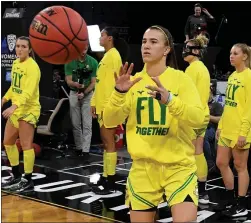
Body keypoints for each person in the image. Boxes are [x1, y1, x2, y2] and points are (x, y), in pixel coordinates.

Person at [103, 25, 205, 223]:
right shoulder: (132, 82)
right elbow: (109, 120)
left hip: (178, 167)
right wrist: (119, 93)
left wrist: (170, 101)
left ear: (166, 49)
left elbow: (198, 118)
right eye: (143, 42)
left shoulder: (180, 79)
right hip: (143, 168)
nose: (146, 46)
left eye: (153, 42)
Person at [90, 27, 129, 194]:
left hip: (109, 107)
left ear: (110, 38)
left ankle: (110, 181)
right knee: (106, 144)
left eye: (102, 35)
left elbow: (116, 84)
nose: (99, 38)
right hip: (102, 106)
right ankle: (106, 175)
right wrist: (93, 102)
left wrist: (108, 106)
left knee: (109, 143)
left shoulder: (114, 56)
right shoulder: (106, 56)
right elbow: (100, 83)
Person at [215, 43, 251, 217]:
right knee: (221, 162)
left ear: (244, 56)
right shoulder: (232, 76)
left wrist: (244, 132)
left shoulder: (249, 76)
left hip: (240, 130)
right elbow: (228, 106)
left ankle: (242, 203)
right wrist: (221, 125)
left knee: (240, 166)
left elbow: (249, 108)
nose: (231, 56)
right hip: (227, 128)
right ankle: (230, 198)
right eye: (230, 53)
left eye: (235, 53)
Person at [1, 36, 41, 192]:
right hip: (16, 109)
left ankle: (27, 180)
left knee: (26, 145)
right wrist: (4, 99)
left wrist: (14, 107)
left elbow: (28, 92)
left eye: (23, 46)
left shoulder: (33, 67)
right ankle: (16, 175)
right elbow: (14, 87)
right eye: (17, 46)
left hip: (29, 109)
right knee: (8, 143)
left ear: (30, 49)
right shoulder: (16, 63)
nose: (19, 49)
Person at [183, 34, 211, 204]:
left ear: (195, 51)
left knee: (187, 153)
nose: (183, 51)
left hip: (192, 116)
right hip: (203, 114)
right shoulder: (203, 68)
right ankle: (203, 192)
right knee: (198, 152)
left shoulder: (192, 69)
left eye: (187, 48)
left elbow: (186, 95)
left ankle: (189, 189)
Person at [65, 47, 98, 158]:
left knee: (87, 124)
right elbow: (68, 80)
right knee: (75, 123)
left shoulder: (93, 62)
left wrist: (84, 92)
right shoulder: (70, 61)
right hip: (74, 93)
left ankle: (86, 150)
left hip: (88, 95)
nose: (83, 51)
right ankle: (79, 148)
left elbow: (93, 82)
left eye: (85, 49)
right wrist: (76, 85)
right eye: (81, 49)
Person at [203, 86, 223, 167]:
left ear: (211, 92)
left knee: (203, 136)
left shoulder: (216, 105)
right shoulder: (201, 104)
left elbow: (220, 119)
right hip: (199, 127)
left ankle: (210, 162)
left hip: (211, 128)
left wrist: (208, 116)